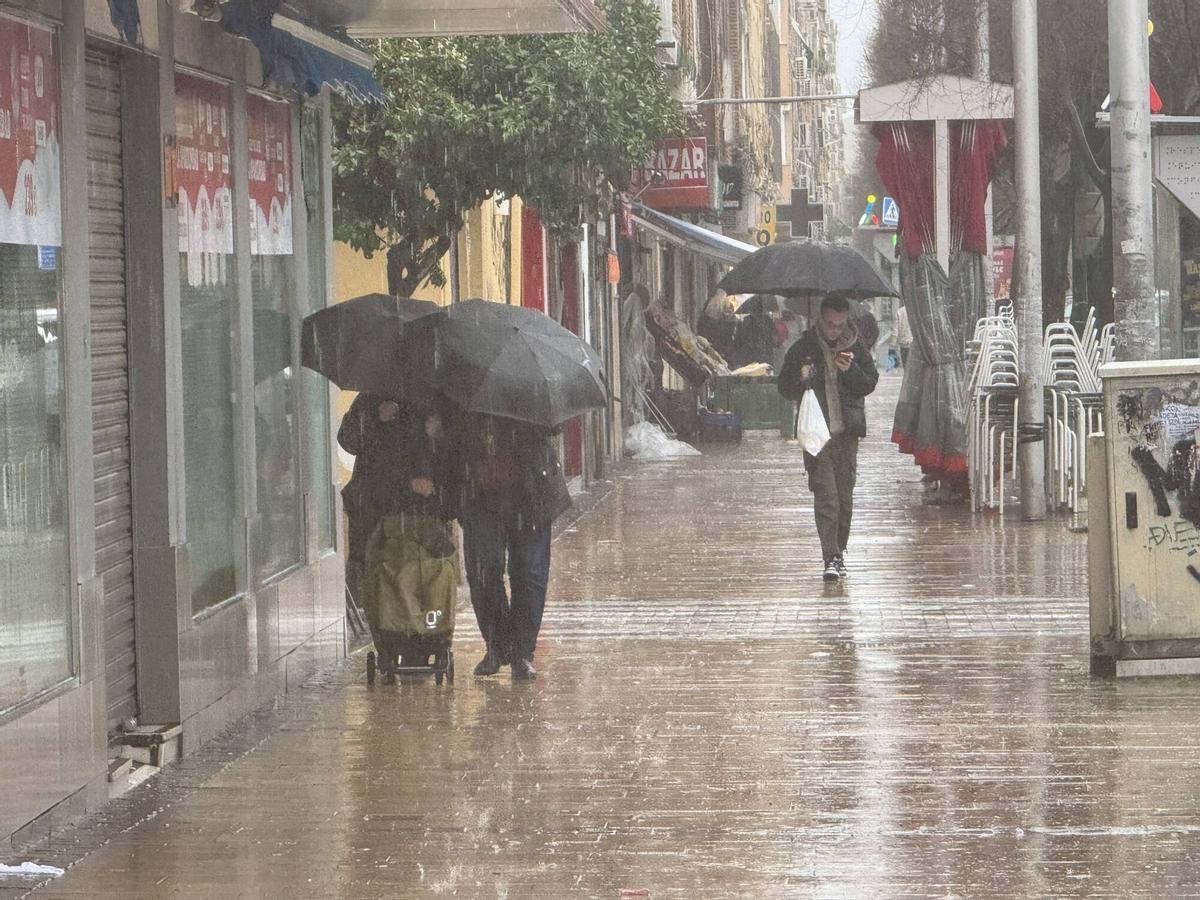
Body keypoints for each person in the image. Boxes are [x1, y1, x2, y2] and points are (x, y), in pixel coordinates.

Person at [339, 394, 460, 673]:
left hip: (426, 509)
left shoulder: (436, 396)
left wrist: (439, 434)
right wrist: (374, 419)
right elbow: (348, 440)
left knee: (427, 574)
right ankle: (390, 643)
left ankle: (427, 640)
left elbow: (457, 450)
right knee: (384, 574)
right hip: (379, 508)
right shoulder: (371, 398)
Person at [460, 415, 572, 681]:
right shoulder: (469, 397)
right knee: (483, 570)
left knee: (530, 573)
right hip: (480, 491)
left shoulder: (531, 396)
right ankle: (498, 645)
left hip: (530, 490)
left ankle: (522, 651)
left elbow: (554, 423)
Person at [778, 294, 880, 582]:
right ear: (820, 320)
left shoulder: (855, 346)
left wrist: (852, 371)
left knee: (845, 497)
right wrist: (801, 378)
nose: (835, 331)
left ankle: (840, 549)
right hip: (817, 433)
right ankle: (831, 556)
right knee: (826, 495)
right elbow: (784, 388)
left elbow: (869, 383)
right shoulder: (803, 349)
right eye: (830, 325)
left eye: (840, 325)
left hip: (847, 432)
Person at [893, 302, 913, 368]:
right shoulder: (916, 311)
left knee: (906, 366)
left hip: (904, 344)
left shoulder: (900, 312)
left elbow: (895, 331)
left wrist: (892, 345)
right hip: (915, 345)